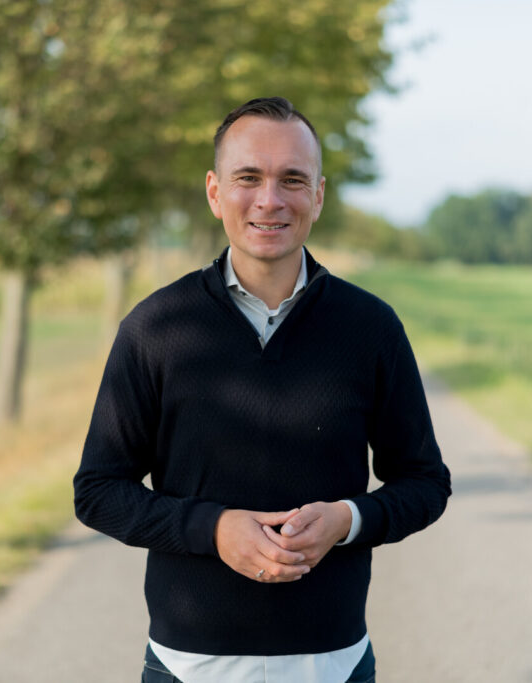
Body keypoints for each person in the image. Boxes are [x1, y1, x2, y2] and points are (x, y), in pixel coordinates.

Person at [73, 97, 451, 683]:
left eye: (292, 180)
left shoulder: (371, 328)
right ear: (215, 192)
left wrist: (348, 519)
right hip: (188, 666)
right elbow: (98, 491)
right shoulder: (156, 328)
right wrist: (213, 528)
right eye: (248, 177)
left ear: (318, 196)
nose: (269, 200)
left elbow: (425, 483)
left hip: (334, 664)